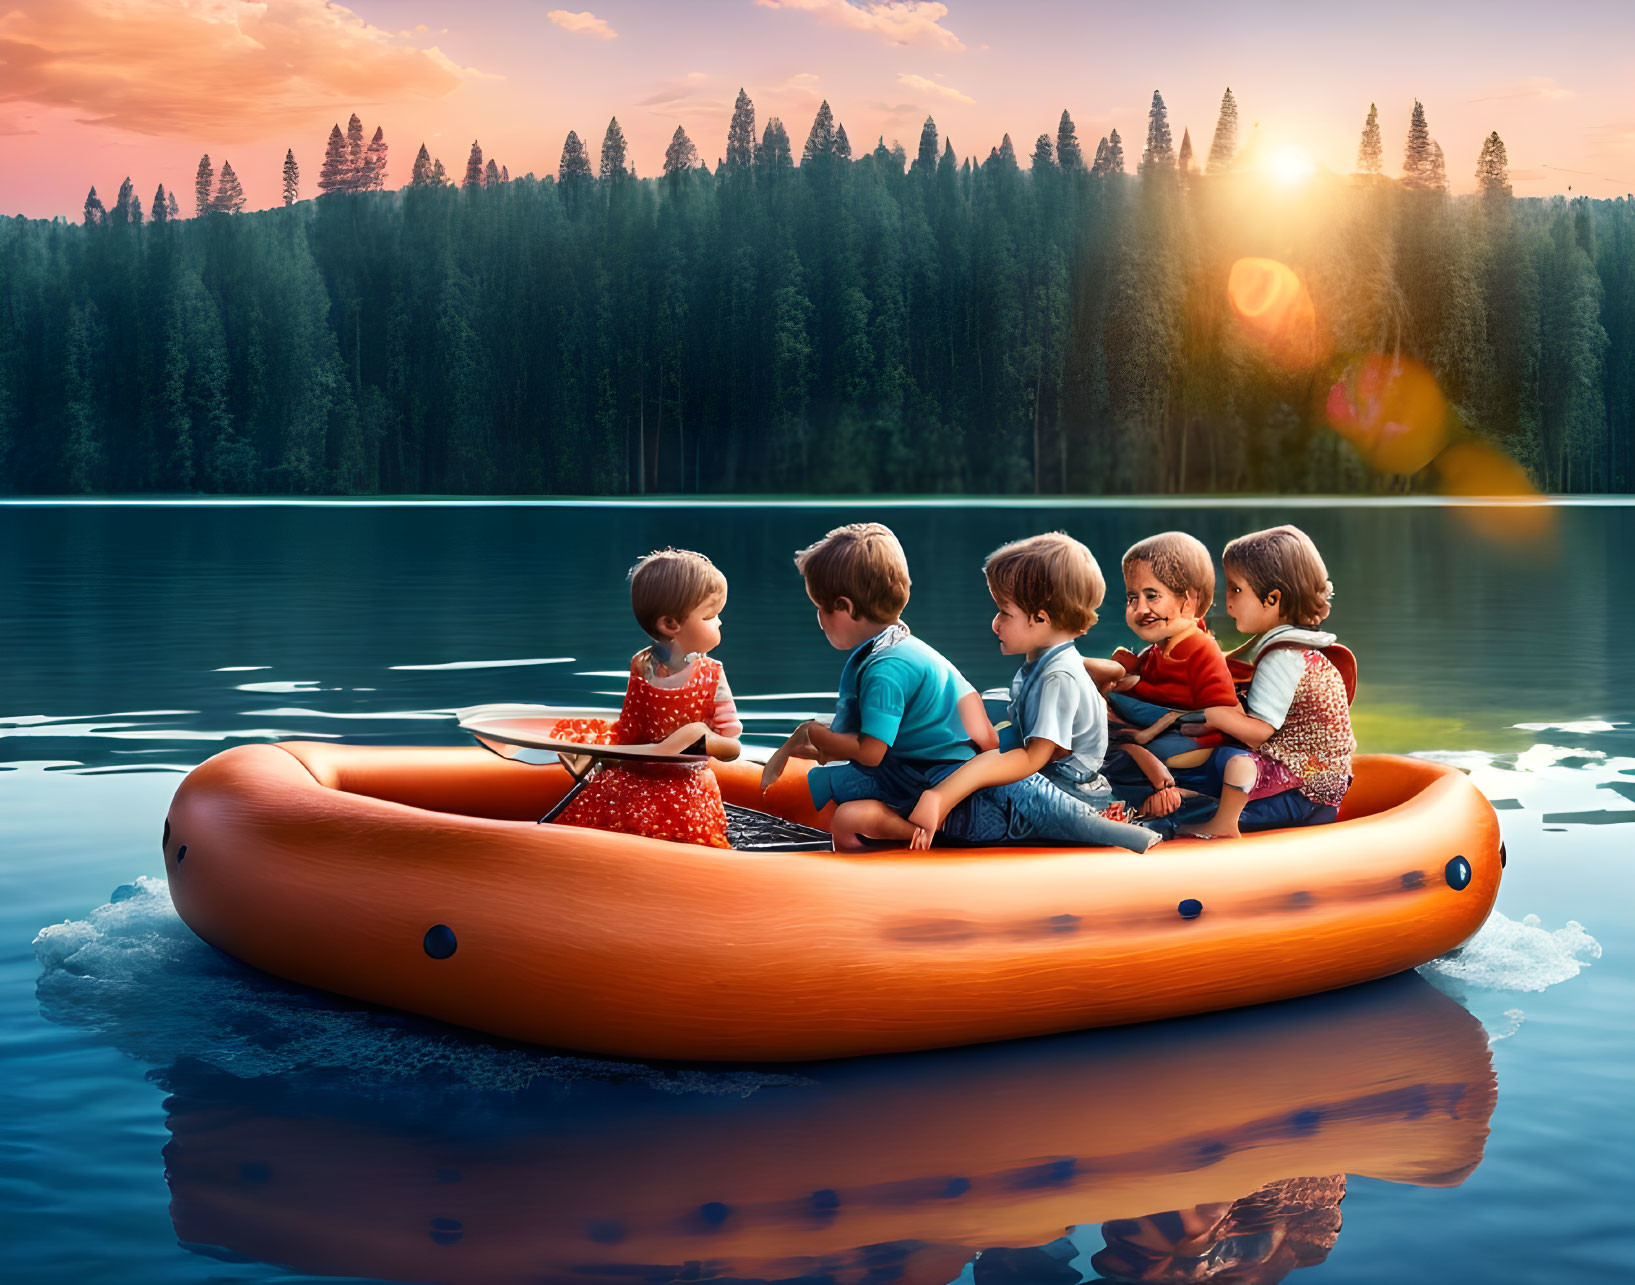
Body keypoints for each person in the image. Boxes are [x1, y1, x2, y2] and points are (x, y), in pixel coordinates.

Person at [903, 532, 1158, 852]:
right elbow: (1106, 670)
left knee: (980, 789)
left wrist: (943, 794)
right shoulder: (1057, 660)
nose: (995, 624)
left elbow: (1027, 762)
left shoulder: (1056, 679)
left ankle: (1103, 827)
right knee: (984, 726)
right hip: (1062, 783)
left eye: (1005, 613)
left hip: (1066, 795)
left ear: (1041, 618)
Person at [762, 522, 997, 851]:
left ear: (845, 607)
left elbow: (871, 753)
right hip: (926, 766)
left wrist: (812, 734)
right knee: (830, 785)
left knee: (845, 820)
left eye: (821, 608)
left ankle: (916, 837)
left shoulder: (885, 670)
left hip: (936, 778)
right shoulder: (903, 645)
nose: (819, 619)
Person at [1164, 524, 1356, 840]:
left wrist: (1211, 713)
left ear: (1273, 598)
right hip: (1319, 789)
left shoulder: (1281, 658)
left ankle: (1222, 824)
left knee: (1224, 760)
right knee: (1212, 757)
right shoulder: (1302, 647)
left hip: (1300, 798)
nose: (1227, 603)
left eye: (1236, 590)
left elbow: (1257, 734)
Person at [552, 548, 742, 848]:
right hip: (650, 785)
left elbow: (730, 745)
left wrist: (701, 740)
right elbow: (631, 730)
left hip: (672, 785)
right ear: (670, 625)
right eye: (710, 615)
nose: (720, 622)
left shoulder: (700, 673)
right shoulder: (650, 667)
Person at [1090, 531, 1239, 818]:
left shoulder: (1200, 649)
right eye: (1133, 597)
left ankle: (1174, 801)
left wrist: (1159, 727)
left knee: (1114, 753)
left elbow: (1223, 712)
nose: (1141, 608)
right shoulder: (1157, 651)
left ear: (1190, 601)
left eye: (1152, 596)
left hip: (1187, 751)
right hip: (1159, 739)